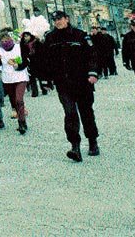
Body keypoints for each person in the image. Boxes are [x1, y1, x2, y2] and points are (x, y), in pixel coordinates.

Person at [37, 10, 100, 161]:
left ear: (67, 19)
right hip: (63, 83)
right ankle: (75, 146)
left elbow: (92, 55)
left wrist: (92, 73)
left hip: (82, 82)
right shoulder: (50, 38)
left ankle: (92, 141)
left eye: (60, 19)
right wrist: (46, 80)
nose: (57, 22)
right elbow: (45, 60)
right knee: (70, 113)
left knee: (86, 113)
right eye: (55, 20)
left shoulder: (80, 35)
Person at [0, 30, 30, 134]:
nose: (5, 43)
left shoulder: (19, 47)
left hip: (20, 77)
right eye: (3, 41)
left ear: (11, 39)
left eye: (7, 40)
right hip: (8, 79)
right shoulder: (0, 50)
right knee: (14, 101)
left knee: (19, 99)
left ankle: (21, 123)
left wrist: (18, 66)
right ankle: (22, 119)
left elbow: (26, 61)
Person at [20, 31, 46, 97]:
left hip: (38, 61)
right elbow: (22, 53)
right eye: (24, 36)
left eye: (27, 36)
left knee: (41, 76)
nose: (26, 38)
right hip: (30, 62)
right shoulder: (23, 44)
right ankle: (34, 92)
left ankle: (44, 89)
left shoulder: (36, 42)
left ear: (30, 36)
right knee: (32, 78)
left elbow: (42, 51)